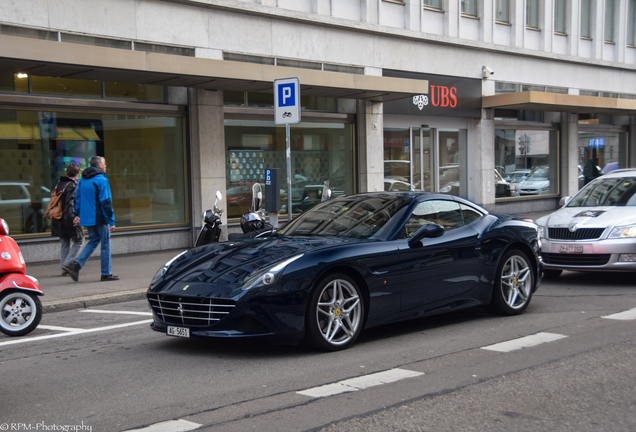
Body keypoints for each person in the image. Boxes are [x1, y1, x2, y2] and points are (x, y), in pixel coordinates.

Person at [65, 156, 118, 282]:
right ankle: (106, 273)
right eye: (104, 164)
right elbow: (106, 201)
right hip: (100, 217)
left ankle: (77, 264)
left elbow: (77, 198)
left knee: (93, 240)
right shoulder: (101, 179)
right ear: (99, 165)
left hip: (87, 217)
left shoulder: (83, 180)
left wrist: (78, 214)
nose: (106, 166)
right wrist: (111, 220)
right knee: (105, 244)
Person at [52, 163, 84, 276]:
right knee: (79, 241)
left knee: (64, 243)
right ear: (77, 173)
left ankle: (63, 269)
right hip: (68, 218)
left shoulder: (58, 184)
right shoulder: (71, 186)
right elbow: (70, 204)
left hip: (58, 218)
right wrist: (74, 217)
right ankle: (67, 263)